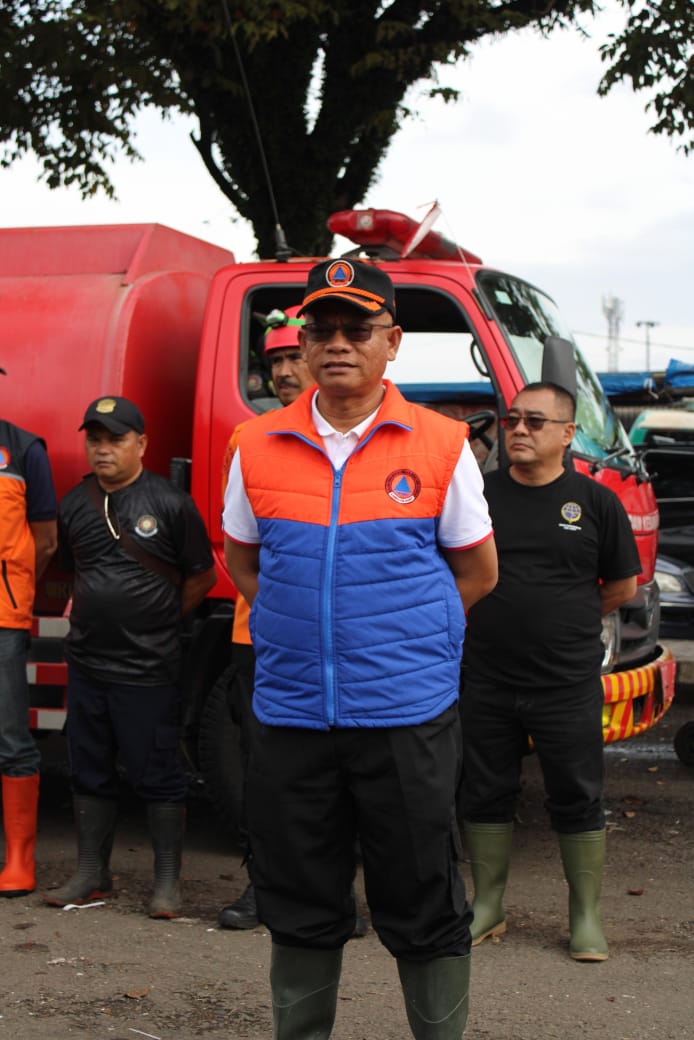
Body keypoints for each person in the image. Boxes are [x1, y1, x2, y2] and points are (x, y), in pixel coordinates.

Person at [223, 259, 498, 1039]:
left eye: (358, 328)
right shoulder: (256, 443)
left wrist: (407, 638)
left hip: (406, 716)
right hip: (292, 716)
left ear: (393, 341)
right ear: (303, 345)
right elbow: (244, 562)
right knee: (301, 898)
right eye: (323, 330)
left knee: (423, 898)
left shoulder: (442, 445)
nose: (338, 343)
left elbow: (477, 572)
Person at [459, 381, 641, 962]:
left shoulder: (595, 503)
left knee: (578, 795)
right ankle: (487, 907)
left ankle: (584, 916)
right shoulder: (477, 497)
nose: (518, 429)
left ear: (567, 433)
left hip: (564, 682)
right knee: (485, 791)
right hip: (484, 676)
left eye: (535, 422)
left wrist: (562, 623)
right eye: (512, 419)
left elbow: (621, 587)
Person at [46, 396, 217, 918]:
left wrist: (162, 619)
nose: (103, 450)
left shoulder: (169, 502)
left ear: (141, 444)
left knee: (157, 772)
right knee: (88, 769)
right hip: (88, 664)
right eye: (94, 439)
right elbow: (72, 569)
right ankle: (91, 875)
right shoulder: (75, 502)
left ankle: (167, 884)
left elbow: (202, 575)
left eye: (115, 439)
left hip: (148, 668)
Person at [218, 305, 315, 930]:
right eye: (273, 360)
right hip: (257, 634)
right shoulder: (249, 440)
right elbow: (235, 545)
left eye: (291, 356)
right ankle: (264, 887)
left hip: (340, 634)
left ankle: (332, 891)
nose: (281, 370)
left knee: (343, 768)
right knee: (265, 766)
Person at [0, 369, 57, 897]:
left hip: (2, 618)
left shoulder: (23, 450)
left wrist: (13, 591)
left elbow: (43, 540)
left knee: (11, 736)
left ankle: (18, 859)